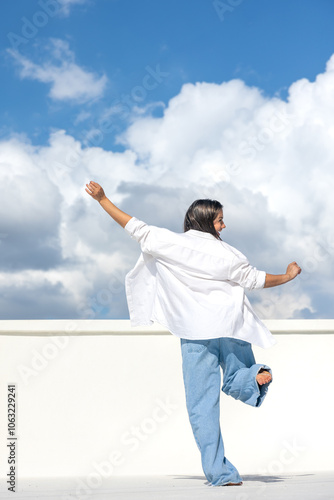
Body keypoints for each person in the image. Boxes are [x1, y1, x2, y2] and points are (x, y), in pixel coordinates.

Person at [85, 180, 301, 487]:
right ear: (205, 221)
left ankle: (220, 473)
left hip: (196, 333)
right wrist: (288, 276)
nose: (224, 225)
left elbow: (132, 226)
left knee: (202, 405)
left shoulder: (167, 241)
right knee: (236, 377)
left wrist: (102, 199)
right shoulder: (229, 253)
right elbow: (256, 280)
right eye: (219, 220)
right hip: (230, 326)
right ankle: (252, 376)